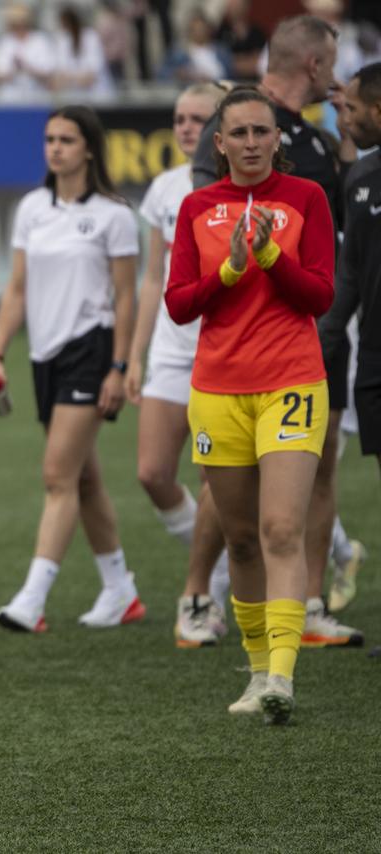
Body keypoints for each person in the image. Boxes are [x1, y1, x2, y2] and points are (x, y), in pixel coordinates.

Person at [192, 15, 364, 649]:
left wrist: (349, 130)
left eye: (259, 134)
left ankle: (308, 601)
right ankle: (202, 593)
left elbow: (339, 225)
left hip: (317, 327)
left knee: (320, 466)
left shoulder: (318, 142)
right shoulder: (237, 123)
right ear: (315, 66)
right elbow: (206, 232)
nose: (251, 140)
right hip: (238, 340)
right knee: (235, 489)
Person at [166, 86, 335, 724]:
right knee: (239, 541)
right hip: (217, 391)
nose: (252, 143)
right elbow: (180, 302)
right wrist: (232, 270)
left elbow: (319, 296)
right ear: (220, 142)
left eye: (262, 131)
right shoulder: (196, 208)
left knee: (280, 530)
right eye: (239, 134)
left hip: (291, 381)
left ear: (278, 136)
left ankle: (283, 680)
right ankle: (257, 670)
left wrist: (268, 256)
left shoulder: (307, 199)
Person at [0, 106, 140, 634]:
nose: (55, 148)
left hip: (90, 351)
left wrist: (119, 366)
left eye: (66, 139)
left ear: (89, 148)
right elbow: (18, 288)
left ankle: (33, 598)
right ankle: (121, 590)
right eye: (49, 139)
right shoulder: (32, 208)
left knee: (56, 476)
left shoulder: (115, 215)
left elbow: (124, 298)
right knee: (84, 477)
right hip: (43, 355)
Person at [127, 82, 232, 648]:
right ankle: (223, 566)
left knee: (216, 477)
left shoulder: (244, 189)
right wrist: (134, 355)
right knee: (151, 473)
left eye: (199, 117)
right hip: (170, 347)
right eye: (180, 118)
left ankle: (200, 592)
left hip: (225, 350)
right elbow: (153, 278)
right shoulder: (165, 189)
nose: (187, 127)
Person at [320, 62, 381, 613]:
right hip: (377, 361)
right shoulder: (359, 181)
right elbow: (351, 276)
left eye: (353, 109)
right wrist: (326, 338)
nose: (346, 118)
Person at [0, 5, 56, 99]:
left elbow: (48, 74)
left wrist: (27, 67)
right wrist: (15, 69)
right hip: (10, 98)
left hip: (37, 97)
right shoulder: (4, 42)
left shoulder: (40, 40)